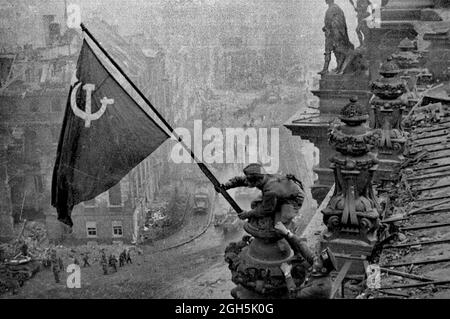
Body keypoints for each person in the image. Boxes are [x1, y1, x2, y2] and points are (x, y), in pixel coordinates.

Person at [216, 163, 305, 230]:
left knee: (279, 227)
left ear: (257, 181)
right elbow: (241, 180)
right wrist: (226, 186)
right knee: (255, 203)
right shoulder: (262, 176)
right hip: (282, 191)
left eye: (249, 182)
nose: (246, 183)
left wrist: (247, 214)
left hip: (294, 198)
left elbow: (266, 209)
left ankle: (290, 228)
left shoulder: (270, 190)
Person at [276, 223, 337, 299]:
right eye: (317, 257)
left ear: (323, 270)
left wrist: (287, 274)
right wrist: (287, 233)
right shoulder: (319, 266)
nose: (315, 259)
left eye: (318, 261)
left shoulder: (319, 287)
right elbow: (303, 247)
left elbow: (294, 295)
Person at [319, 0, 355, 75]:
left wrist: (327, 28)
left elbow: (332, 22)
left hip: (335, 34)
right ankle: (336, 67)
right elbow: (330, 21)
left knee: (335, 50)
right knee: (333, 50)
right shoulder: (334, 8)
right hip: (333, 33)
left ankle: (336, 67)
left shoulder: (333, 8)